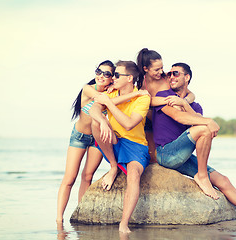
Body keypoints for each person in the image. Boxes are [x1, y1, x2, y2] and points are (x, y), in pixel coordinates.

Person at [153, 62, 236, 220]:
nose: (170, 76)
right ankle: (202, 176)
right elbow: (179, 117)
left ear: (186, 77)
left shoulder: (195, 106)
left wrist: (185, 103)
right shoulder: (164, 97)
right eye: (169, 74)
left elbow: (197, 120)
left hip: (183, 157)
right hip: (165, 154)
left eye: (175, 73)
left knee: (223, 180)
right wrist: (207, 121)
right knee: (204, 128)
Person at [57, 60, 147, 223]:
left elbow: (108, 103)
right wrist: (135, 94)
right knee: (69, 178)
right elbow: (99, 104)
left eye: (107, 74)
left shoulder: (111, 91)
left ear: (112, 78)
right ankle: (58, 220)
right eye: (98, 71)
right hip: (80, 136)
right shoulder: (89, 88)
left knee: (87, 176)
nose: (101, 76)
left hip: (96, 138)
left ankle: (81, 211)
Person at [88, 60, 151, 233]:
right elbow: (93, 110)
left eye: (117, 75)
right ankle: (114, 167)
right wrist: (102, 120)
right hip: (115, 140)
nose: (113, 78)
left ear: (129, 78)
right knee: (95, 123)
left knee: (133, 175)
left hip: (136, 146)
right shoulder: (112, 91)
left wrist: (108, 103)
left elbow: (129, 124)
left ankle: (124, 223)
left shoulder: (143, 97)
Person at [136, 48, 195, 163]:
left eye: (162, 67)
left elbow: (191, 94)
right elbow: (147, 101)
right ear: (145, 69)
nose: (161, 71)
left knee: (161, 157)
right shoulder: (141, 84)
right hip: (148, 121)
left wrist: (184, 101)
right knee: (152, 158)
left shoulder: (166, 78)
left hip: (166, 120)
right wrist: (167, 100)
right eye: (157, 69)